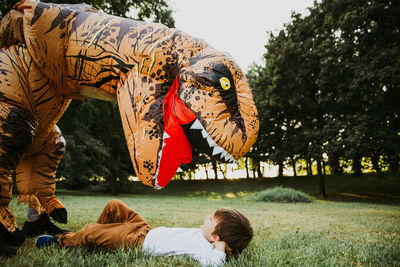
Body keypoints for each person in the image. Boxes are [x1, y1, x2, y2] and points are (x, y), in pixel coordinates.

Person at [35, 199, 253, 266]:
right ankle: (91, 237)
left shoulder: (205, 248)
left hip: (137, 242)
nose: (207, 217)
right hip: (144, 228)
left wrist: (221, 248)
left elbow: (215, 264)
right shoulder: (204, 234)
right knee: (114, 206)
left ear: (216, 237)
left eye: (211, 219)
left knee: (92, 231)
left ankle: (62, 241)